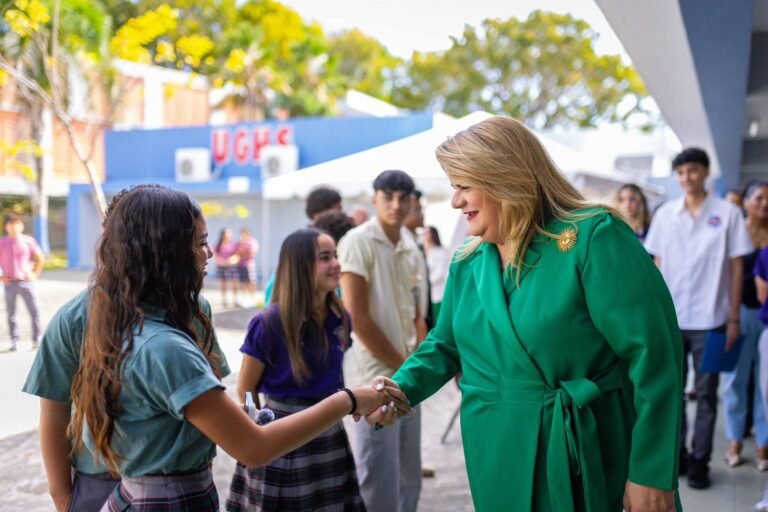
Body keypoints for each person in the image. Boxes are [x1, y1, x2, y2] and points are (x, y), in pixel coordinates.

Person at [372, 117, 683, 511]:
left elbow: (655, 354)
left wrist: (651, 472)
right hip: (495, 452)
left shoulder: (593, 236)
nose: (455, 201)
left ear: (505, 178)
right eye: (454, 188)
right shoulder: (467, 262)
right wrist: (398, 390)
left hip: (584, 450)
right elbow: (444, 345)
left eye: (465, 186)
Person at [66, 185, 401, 510]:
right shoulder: (166, 347)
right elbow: (253, 448)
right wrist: (350, 400)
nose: (210, 253)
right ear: (166, 253)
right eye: (201, 243)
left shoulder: (137, 328)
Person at [21, 185, 233, 512]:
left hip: (183, 481)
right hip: (100, 481)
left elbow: (209, 392)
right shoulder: (74, 318)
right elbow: (53, 411)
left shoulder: (193, 309)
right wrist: (64, 497)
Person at [227, 228, 365, 511]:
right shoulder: (268, 323)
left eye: (336, 255)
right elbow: (245, 389)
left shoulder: (341, 317)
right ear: (299, 266)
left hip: (328, 429)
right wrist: (256, 431)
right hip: (279, 433)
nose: (336, 264)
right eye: (325, 257)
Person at [645, 147, 753, 489]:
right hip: (671, 318)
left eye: (692, 170)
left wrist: (734, 318)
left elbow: (737, 267)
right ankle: (676, 455)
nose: (686, 178)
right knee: (672, 391)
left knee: (706, 395)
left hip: (713, 319)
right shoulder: (665, 215)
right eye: (680, 173)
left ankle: (700, 460)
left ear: (705, 173)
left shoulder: (728, 214)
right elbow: (656, 264)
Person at [338, 170, 426, 512]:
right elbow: (357, 318)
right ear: (374, 198)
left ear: (412, 201)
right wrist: (406, 364)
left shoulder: (410, 245)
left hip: (408, 373)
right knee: (377, 475)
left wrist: (416, 364)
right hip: (372, 377)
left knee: (409, 473)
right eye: (387, 196)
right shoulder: (357, 241)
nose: (396, 204)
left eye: (403, 198)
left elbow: (418, 315)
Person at [723, 181, 768, 471]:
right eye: (759, 197)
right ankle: (734, 440)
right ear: (747, 201)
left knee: (764, 383)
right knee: (735, 380)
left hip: (766, 317)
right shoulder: (733, 230)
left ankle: (763, 443)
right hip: (738, 312)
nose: (764, 203)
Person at [0, 213, 44, 351]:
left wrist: (35, 273)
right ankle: (15, 340)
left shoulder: (29, 241)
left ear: (21, 226)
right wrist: (1, 276)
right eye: (11, 224)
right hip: (10, 283)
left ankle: (37, 338)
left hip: (26, 282)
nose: (14, 227)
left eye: (16, 224)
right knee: (11, 314)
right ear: (6, 227)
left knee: (35, 311)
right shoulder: (2, 242)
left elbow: (40, 258)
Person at [423, 226, 449, 324]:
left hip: (438, 292)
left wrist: (426, 282)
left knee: (439, 320)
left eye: (427, 233)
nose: (425, 236)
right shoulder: (422, 251)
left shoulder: (440, 252)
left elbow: (439, 273)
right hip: (427, 293)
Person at [215, 227, 240, 307]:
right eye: (227, 233)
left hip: (231, 266)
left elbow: (238, 255)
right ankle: (224, 300)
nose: (229, 235)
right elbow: (215, 255)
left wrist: (231, 261)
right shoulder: (219, 245)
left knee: (235, 282)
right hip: (221, 266)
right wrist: (222, 262)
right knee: (223, 283)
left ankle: (235, 299)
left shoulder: (234, 244)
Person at [236, 228, 259, 306]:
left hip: (249, 266)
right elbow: (237, 253)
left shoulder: (252, 242)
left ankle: (253, 299)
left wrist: (244, 253)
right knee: (243, 283)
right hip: (241, 265)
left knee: (251, 282)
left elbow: (252, 253)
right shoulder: (240, 243)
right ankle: (244, 299)